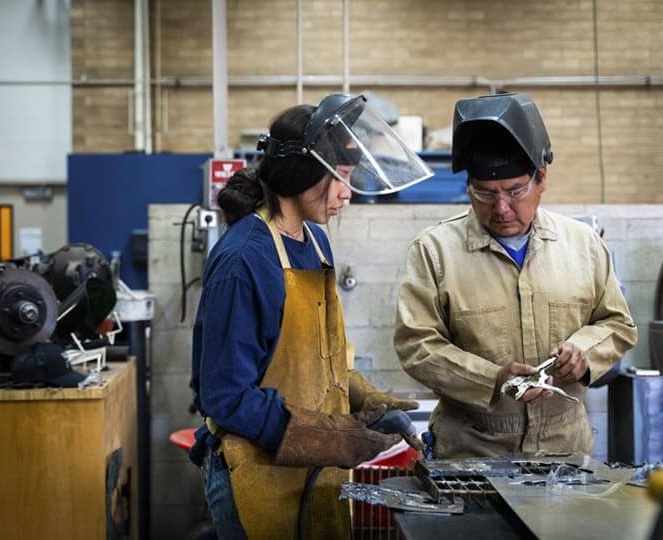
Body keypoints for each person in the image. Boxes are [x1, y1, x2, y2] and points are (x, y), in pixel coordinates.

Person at [189, 94, 433, 539]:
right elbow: (224, 396)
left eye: (350, 177)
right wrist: (335, 436)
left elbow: (318, 358)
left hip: (314, 475)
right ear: (302, 172)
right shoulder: (245, 259)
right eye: (338, 177)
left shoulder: (315, 242)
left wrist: (362, 397)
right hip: (256, 474)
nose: (347, 192)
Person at [394, 92, 638, 459]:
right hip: (473, 454)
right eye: (484, 193)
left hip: (564, 455)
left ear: (542, 179)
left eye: (514, 191)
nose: (501, 207)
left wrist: (584, 353)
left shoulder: (583, 245)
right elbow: (417, 345)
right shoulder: (435, 251)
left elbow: (618, 324)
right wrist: (491, 378)